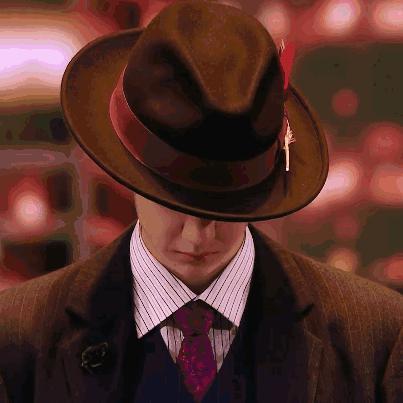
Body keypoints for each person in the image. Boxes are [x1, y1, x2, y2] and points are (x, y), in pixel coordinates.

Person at [0, 1, 402, 402]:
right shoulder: (18, 338)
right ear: (128, 173)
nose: (197, 236)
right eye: (172, 201)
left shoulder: (375, 339)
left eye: (226, 207)